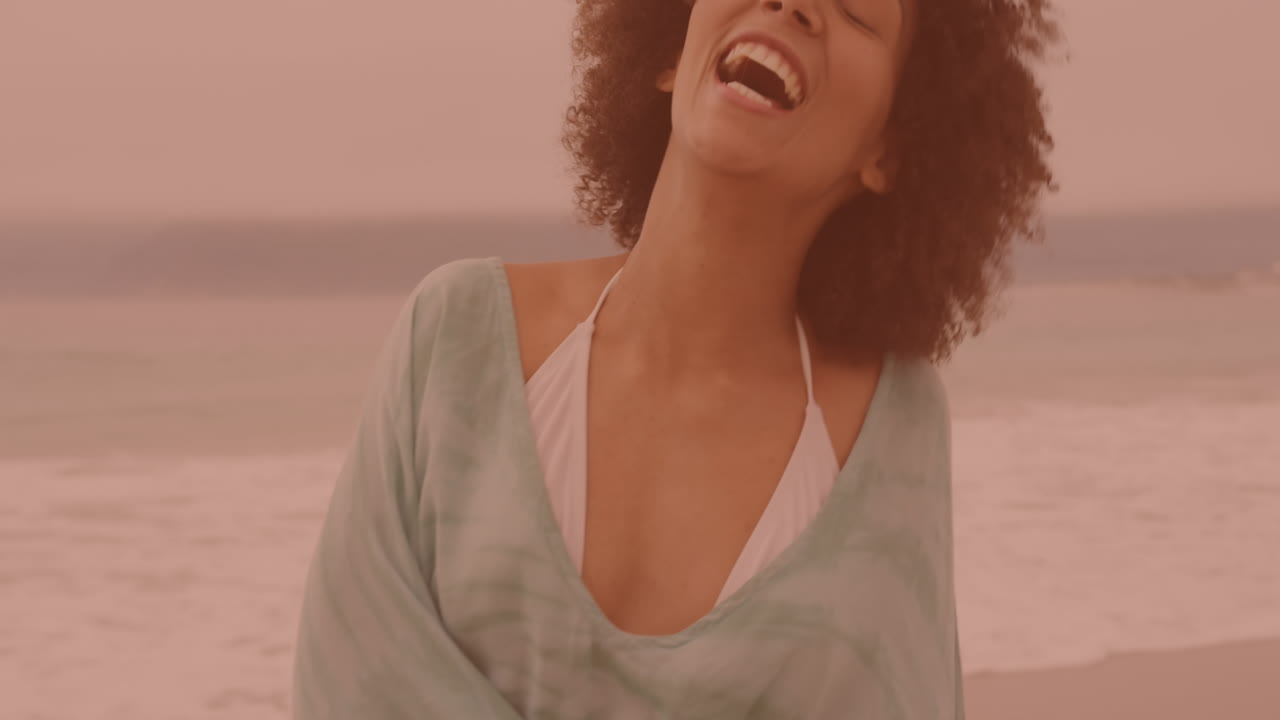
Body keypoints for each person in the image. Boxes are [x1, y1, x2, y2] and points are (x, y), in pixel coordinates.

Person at [290, 0, 1062, 717]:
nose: (795, 4)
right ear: (670, 54)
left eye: (858, 10)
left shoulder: (886, 427)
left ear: (888, 149)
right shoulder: (456, 336)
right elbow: (347, 682)